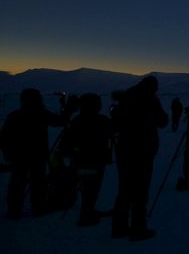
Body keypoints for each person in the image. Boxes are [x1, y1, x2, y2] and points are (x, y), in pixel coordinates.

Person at [111, 76, 168, 241]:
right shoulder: (150, 99)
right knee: (140, 189)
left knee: (124, 188)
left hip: (124, 149)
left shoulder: (126, 98)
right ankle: (138, 228)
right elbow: (163, 121)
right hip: (143, 150)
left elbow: (114, 124)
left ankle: (119, 227)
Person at [0, 88, 66, 218]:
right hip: (38, 156)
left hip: (19, 156)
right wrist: (67, 109)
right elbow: (61, 122)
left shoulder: (15, 115)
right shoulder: (42, 114)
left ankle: (14, 210)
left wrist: (7, 154)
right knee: (38, 183)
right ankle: (38, 207)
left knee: (17, 184)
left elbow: (3, 137)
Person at [60, 93, 112, 226]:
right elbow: (113, 129)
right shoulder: (101, 120)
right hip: (95, 161)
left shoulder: (77, 120)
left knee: (87, 186)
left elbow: (67, 141)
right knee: (91, 188)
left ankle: (87, 210)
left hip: (78, 160)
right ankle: (86, 215)